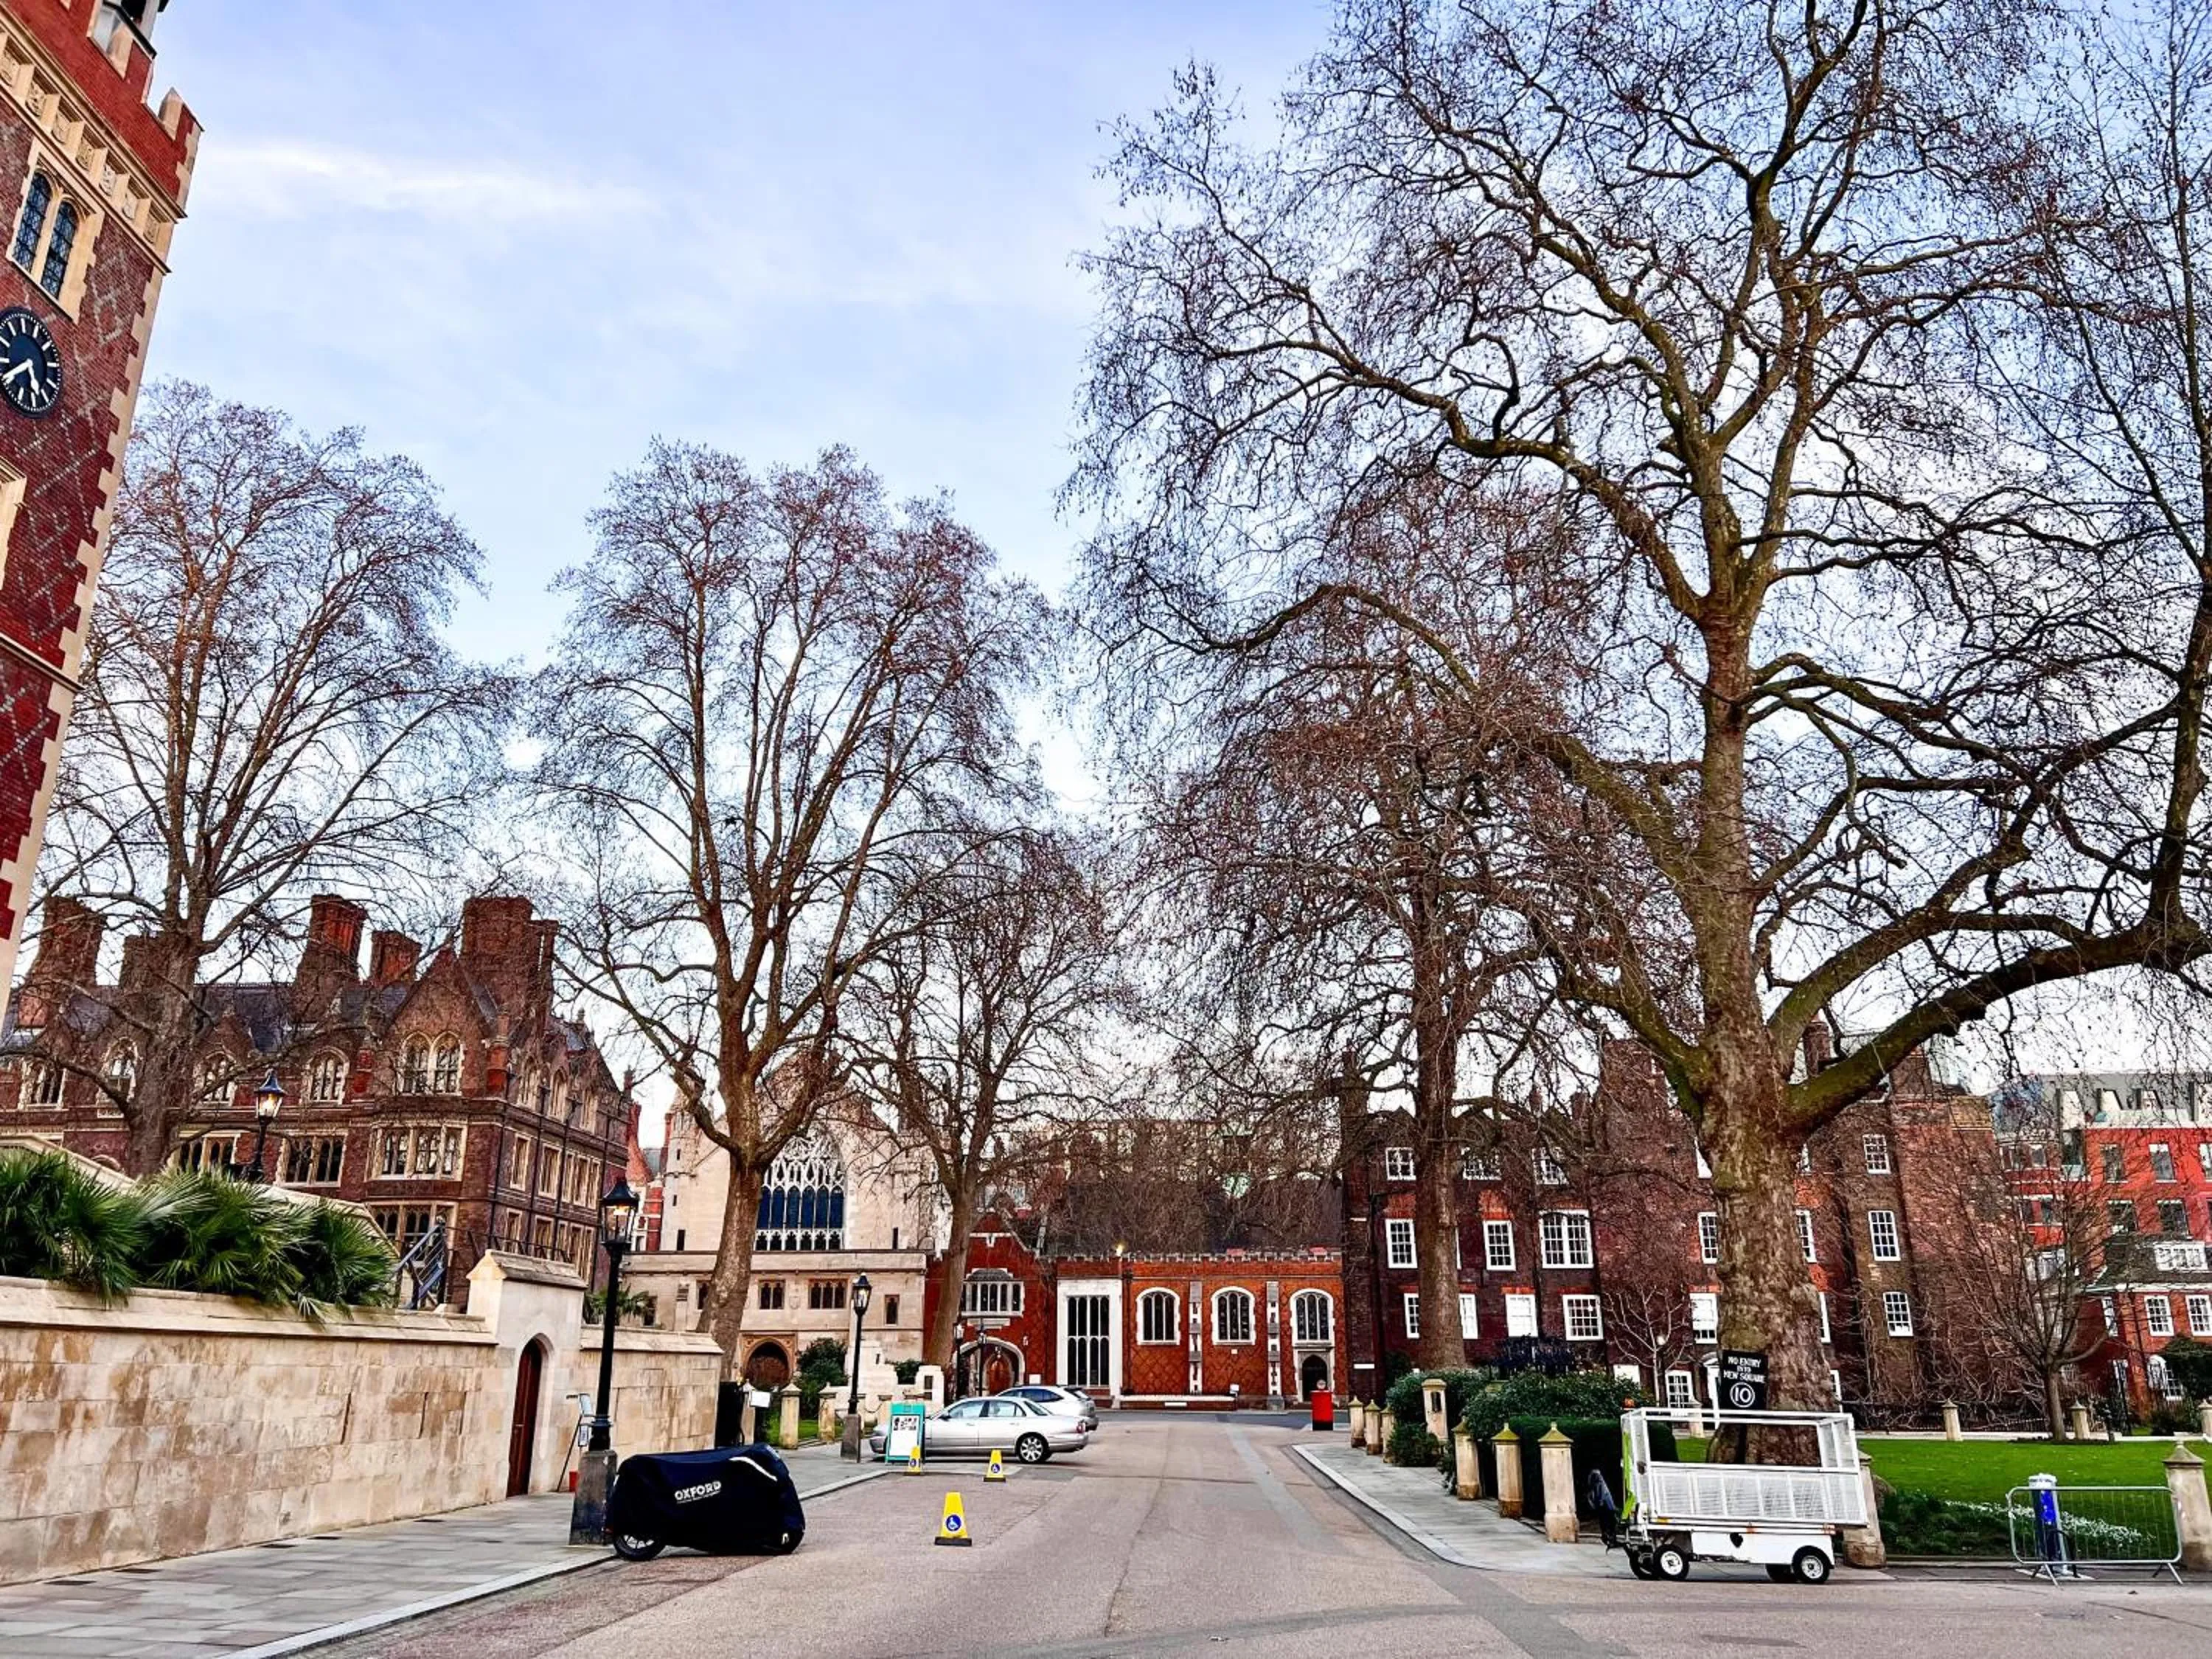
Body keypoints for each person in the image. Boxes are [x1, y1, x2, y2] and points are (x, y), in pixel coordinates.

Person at [1586, 1464, 1621, 1549]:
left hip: (1603, 1506)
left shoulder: (1593, 1482)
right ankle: (1611, 1539)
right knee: (1612, 1523)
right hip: (1606, 1507)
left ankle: (1608, 1538)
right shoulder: (1599, 1481)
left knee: (1606, 1523)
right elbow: (1602, 1494)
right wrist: (1601, 1502)